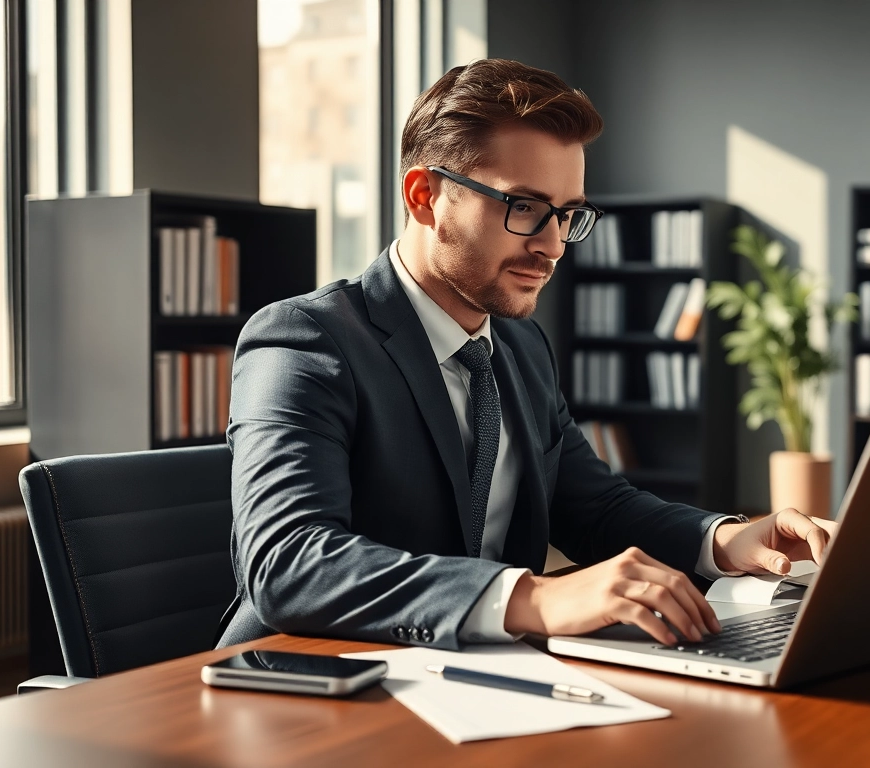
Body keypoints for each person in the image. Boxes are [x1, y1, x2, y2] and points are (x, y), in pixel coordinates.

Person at [217, 59, 836, 652]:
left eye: (567, 215)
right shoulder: (304, 340)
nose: (553, 246)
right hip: (305, 687)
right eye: (525, 208)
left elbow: (594, 508)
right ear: (424, 196)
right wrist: (534, 599)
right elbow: (289, 562)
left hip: (475, 677)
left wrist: (723, 540)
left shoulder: (518, 345)